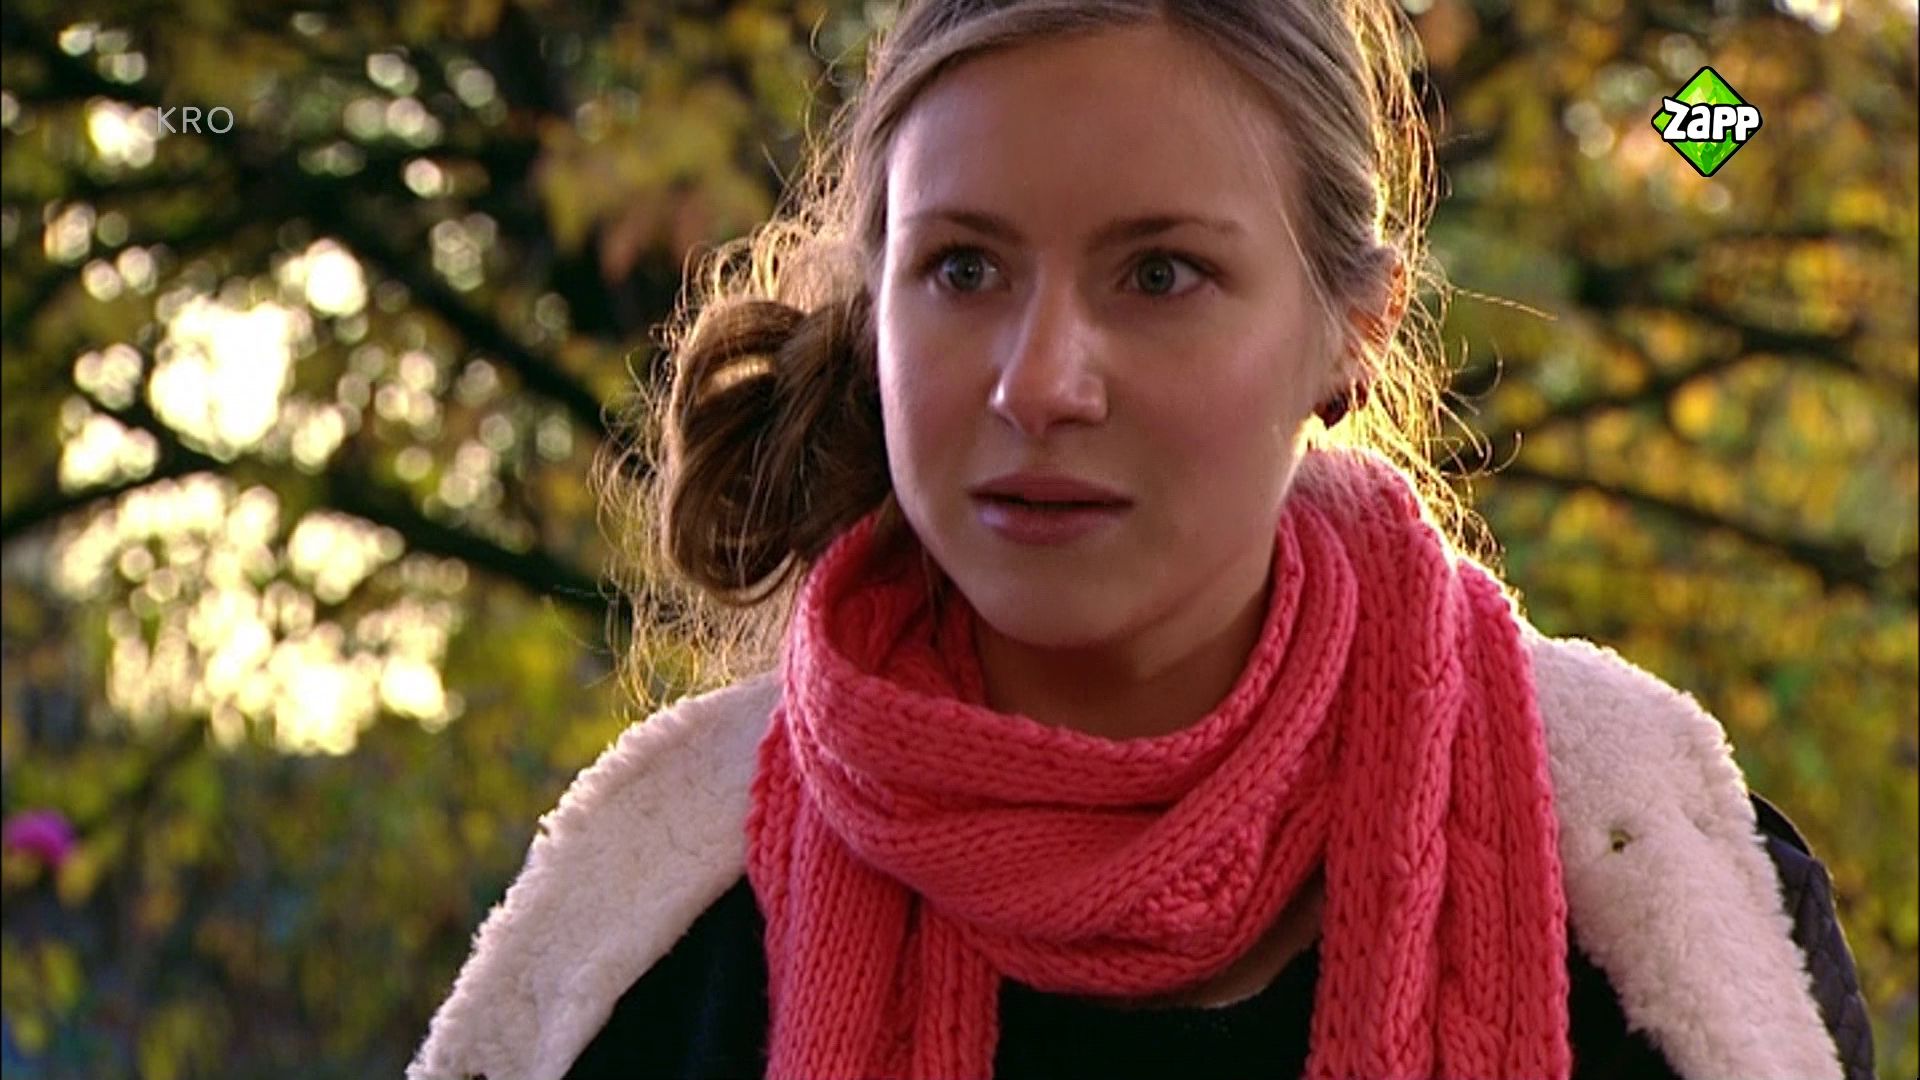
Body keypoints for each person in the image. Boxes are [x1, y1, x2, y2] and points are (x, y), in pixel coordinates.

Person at [409, 2, 1873, 1078]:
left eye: (1161, 274)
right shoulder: (644, 948)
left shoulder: (1669, 898)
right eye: (964, 268)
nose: (1040, 382)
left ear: (1352, 331)